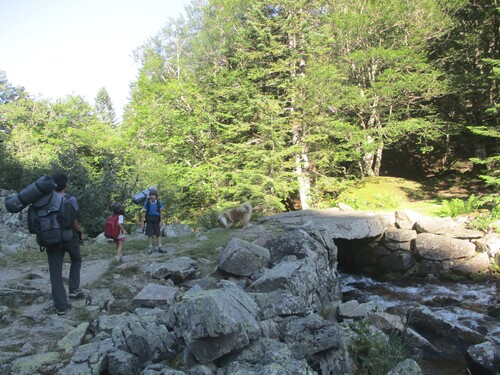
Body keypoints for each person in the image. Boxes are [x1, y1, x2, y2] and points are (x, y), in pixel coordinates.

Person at [47, 172, 84, 316]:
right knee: (76, 259)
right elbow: (74, 220)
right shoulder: (70, 199)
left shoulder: (46, 199)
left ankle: (60, 307)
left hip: (51, 239)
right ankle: (74, 290)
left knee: (55, 273)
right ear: (65, 185)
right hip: (69, 237)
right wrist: (80, 232)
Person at [141, 188, 165, 254]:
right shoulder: (147, 203)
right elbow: (144, 213)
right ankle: (150, 247)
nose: (153, 197)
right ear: (150, 196)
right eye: (151, 195)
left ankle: (160, 247)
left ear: (156, 196)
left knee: (158, 233)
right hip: (149, 219)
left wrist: (161, 221)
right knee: (149, 234)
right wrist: (142, 221)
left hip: (157, 219)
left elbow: (161, 212)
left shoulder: (159, 202)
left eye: (154, 195)